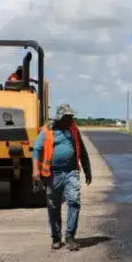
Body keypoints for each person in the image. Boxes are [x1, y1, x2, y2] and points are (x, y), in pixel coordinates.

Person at [32, 104, 92, 251]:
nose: (71, 119)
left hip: (72, 171)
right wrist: (35, 170)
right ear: (60, 118)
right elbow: (36, 150)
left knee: (74, 201)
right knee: (53, 206)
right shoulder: (47, 131)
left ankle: (70, 236)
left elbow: (82, 151)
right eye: (67, 117)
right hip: (53, 174)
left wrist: (87, 171)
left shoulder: (74, 130)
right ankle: (56, 238)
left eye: (71, 117)